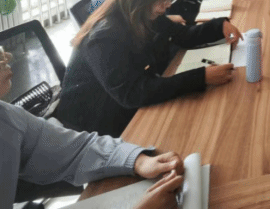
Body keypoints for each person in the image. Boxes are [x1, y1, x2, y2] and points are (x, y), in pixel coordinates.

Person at [54, 0, 242, 138]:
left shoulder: (141, 13)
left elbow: (183, 35)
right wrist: (201, 77)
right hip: (95, 122)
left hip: (125, 101)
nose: (167, 6)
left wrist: (218, 26)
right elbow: (132, 94)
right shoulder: (105, 36)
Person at [0, 48, 185, 209]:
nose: (7, 56)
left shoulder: (7, 116)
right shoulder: (104, 36)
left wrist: (137, 161)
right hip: (86, 118)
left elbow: (76, 150)